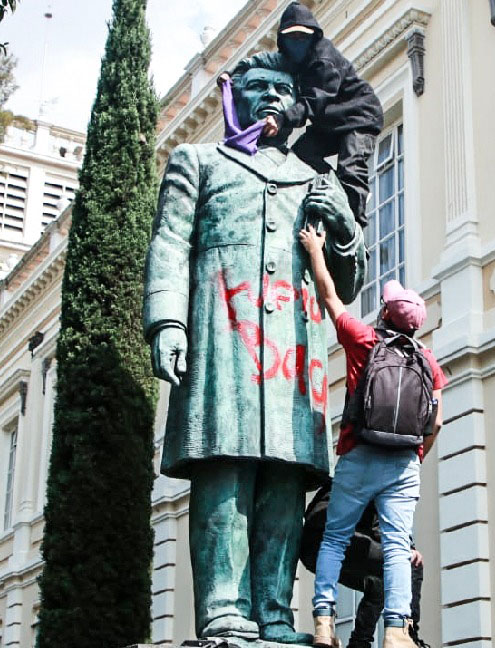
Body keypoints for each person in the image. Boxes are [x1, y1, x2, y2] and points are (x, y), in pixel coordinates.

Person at [144, 59, 366, 644]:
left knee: (284, 479)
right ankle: (223, 609)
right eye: (258, 88)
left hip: (295, 350)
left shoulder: (314, 180)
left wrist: (342, 219)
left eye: (283, 90)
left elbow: (348, 278)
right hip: (224, 335)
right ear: (233, 98)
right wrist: (168, 320)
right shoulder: (199, 163)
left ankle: (274, 611)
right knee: (226, 468)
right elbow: (170, 244)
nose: (271, 98)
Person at [297, 224, 447, 648]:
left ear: (384, 314)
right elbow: (435, 422)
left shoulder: (364, 341)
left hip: (359, 454)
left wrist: (315, 251)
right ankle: (397, 633)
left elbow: (330, 297)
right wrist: (416, 456)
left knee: (335, 536)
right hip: (403, 463)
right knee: (399, 548)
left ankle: (325, 624)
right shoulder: (429, 363)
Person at [220, 1, 384, 228]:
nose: (297, 43)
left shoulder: (323, 61)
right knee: (299, 156)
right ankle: (334, 185)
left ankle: (354, 221)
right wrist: (231, 74)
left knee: (351, 167)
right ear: (283, 41)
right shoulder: (290, 60)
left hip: (359, 117)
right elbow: (262, 61)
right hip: (331, 123)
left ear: (313, 37)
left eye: (302, 38)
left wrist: (281, 119)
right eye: (292, 38)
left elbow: (315, 101)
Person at [300, 483, 429, 648]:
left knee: (382, 579)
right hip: (333, 539)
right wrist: (407, 549)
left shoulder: (351, 469)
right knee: (408, 566)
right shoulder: (385, 473)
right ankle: (407, 636)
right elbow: (382, 520)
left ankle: (332, 630)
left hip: (314, 545)